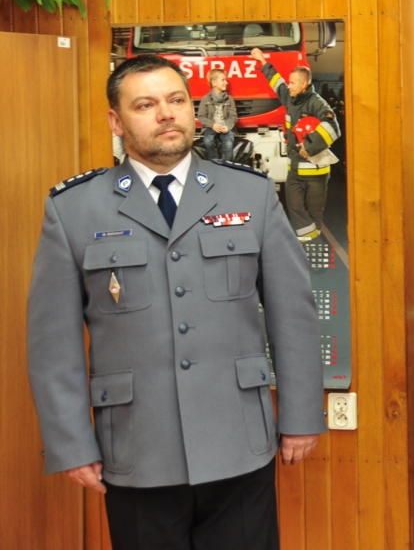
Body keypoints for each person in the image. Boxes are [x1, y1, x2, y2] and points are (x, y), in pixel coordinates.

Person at [26, 55, 327, 550]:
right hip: (137, 449)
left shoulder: (250, 194)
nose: (166, 113)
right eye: (145, 105)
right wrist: (71, 442)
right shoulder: (74, 209)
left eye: (176, 100)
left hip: (239, 442)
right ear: (116, 122)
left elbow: (293, 315)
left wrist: (301, 416)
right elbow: (52, 343)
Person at [250, 48, 340, 243]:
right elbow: (277, 82)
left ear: (304, 85)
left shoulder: (317, 103)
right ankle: (310, 243)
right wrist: (263, 61)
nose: (288, 86)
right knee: (296, 209)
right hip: (294, 173)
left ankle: (310, 247)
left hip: (316, 174)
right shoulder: (291, 98)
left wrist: (309, 146)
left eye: (292, 83)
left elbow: (333, 126)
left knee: (314, 214)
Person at [197, 68, 237, 161]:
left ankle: (226, 165)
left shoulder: (230, 99)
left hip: (225, 127)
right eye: (223, 80)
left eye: (225, 80)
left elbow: (233, 116)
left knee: (229, 143)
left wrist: (227, 126)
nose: (226, 82)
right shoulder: (205, 99)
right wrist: (212, 125)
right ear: (214, 83)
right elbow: (201, 117)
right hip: (211, 127)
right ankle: (214, 163)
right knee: (208, 141)